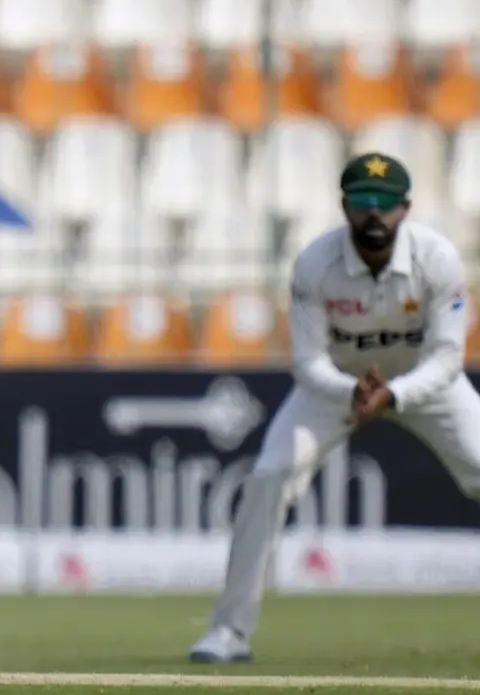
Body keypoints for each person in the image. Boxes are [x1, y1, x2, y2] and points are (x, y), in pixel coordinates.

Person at [189, 152, 480, 663]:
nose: (374, 214)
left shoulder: (437, 260)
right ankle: (229, 632)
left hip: (423, 386)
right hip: (337, 388)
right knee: (270, 476)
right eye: (362, 201)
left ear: (405, 208)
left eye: (385, 204)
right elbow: (307, 363)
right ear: (343, 206)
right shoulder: (315, 264)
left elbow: (448, 358)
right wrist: (352, 392)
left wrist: (394, 394)